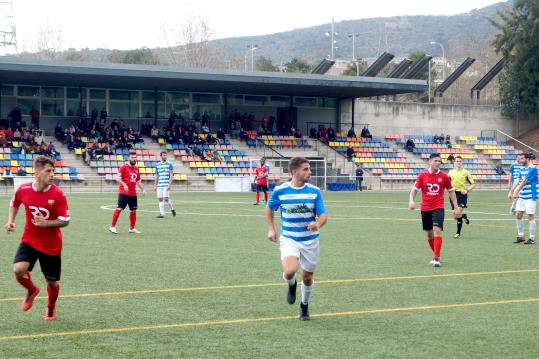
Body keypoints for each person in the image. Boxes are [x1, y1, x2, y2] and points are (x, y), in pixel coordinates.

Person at [5, 156, 71, 320]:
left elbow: (65, 221)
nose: (52, 174)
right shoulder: (24, 189)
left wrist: (46, 223)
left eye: (53, 171)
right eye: (48, 171)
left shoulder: (58, 194)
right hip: (30, 239)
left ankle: (51, 307)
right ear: (37, 174)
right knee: (18, 270)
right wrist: (11, 221)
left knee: (52, 282)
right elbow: (14, 203)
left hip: (51, 245)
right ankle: (32, 290)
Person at [266, 157, 327, 321]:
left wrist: (317, 224)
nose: (310, 172)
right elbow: (269, 208)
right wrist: (271, 229)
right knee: (290, 271)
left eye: (309, 168)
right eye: (306, 169)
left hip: (310, 241)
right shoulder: (280, 191)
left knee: (307, 278)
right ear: (294, 171)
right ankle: (291, 284)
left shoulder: (315, 191)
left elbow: (323, 216)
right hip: (289, 239)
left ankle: (304, 306)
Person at [408, 153, 458, 267]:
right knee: (429, 234)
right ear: (430, 161)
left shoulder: (444, 176)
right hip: (425, 208)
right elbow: (414, 190)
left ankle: (436, 258)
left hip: (438, 207)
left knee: (436, 230)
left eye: (439, 161)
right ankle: (437, 255)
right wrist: (411, 200)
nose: (438, 163)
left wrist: (455, 207)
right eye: (436, 161)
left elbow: (451, 191)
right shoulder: (422, 175)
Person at [109, 151, 145, 234]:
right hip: (123, 192)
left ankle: (132, 228)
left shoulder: (136, 168)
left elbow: (138, 180)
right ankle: (112, 227)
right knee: (119, 208)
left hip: (133, 193)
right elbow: (117, 178)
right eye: (132, 157)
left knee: (133, 210)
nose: (134, 159)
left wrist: (143, 189)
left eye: (135, 157)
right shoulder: (124, 167)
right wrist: (124, 184)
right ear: (129, 158)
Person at [509, 152, 538, 244]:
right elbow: (517, 180)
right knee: (518, 214)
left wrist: (516, 191)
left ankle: (532, 238)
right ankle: (521, 236)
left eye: (522, 158)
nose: (519, 160)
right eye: (519, 158)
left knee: (530, 215)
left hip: (531, 195)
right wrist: (511, 190)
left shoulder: (533, 168)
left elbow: (524, 181)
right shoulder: (521, 169)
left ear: (527, 159)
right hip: (523, 195)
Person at [448, 156, 475, 239]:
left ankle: (458, 233)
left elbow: (473, 184)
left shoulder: (466, 172)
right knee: (455, 216)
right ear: (454, 162)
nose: (458, 162)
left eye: (460, 161)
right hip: (453, 195)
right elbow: (447, 183)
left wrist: (467, 190)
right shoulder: (450, 172)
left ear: (462, 162)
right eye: (457, 161)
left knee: (458, 212)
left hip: (462, 195)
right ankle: (464, 216)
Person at [154, 151, 176, 218]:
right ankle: (162, 214)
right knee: (160, 199)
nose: (165, 156)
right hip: (159, 185)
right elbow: (157, 175)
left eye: (166, 155)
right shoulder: (157, 165)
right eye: (164, 155)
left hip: (166, 184)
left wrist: (170, 185)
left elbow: (171, 175)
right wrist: (155, 185)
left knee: (166, 199)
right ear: (161, 156)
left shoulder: (169, 164)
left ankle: (172, 208)